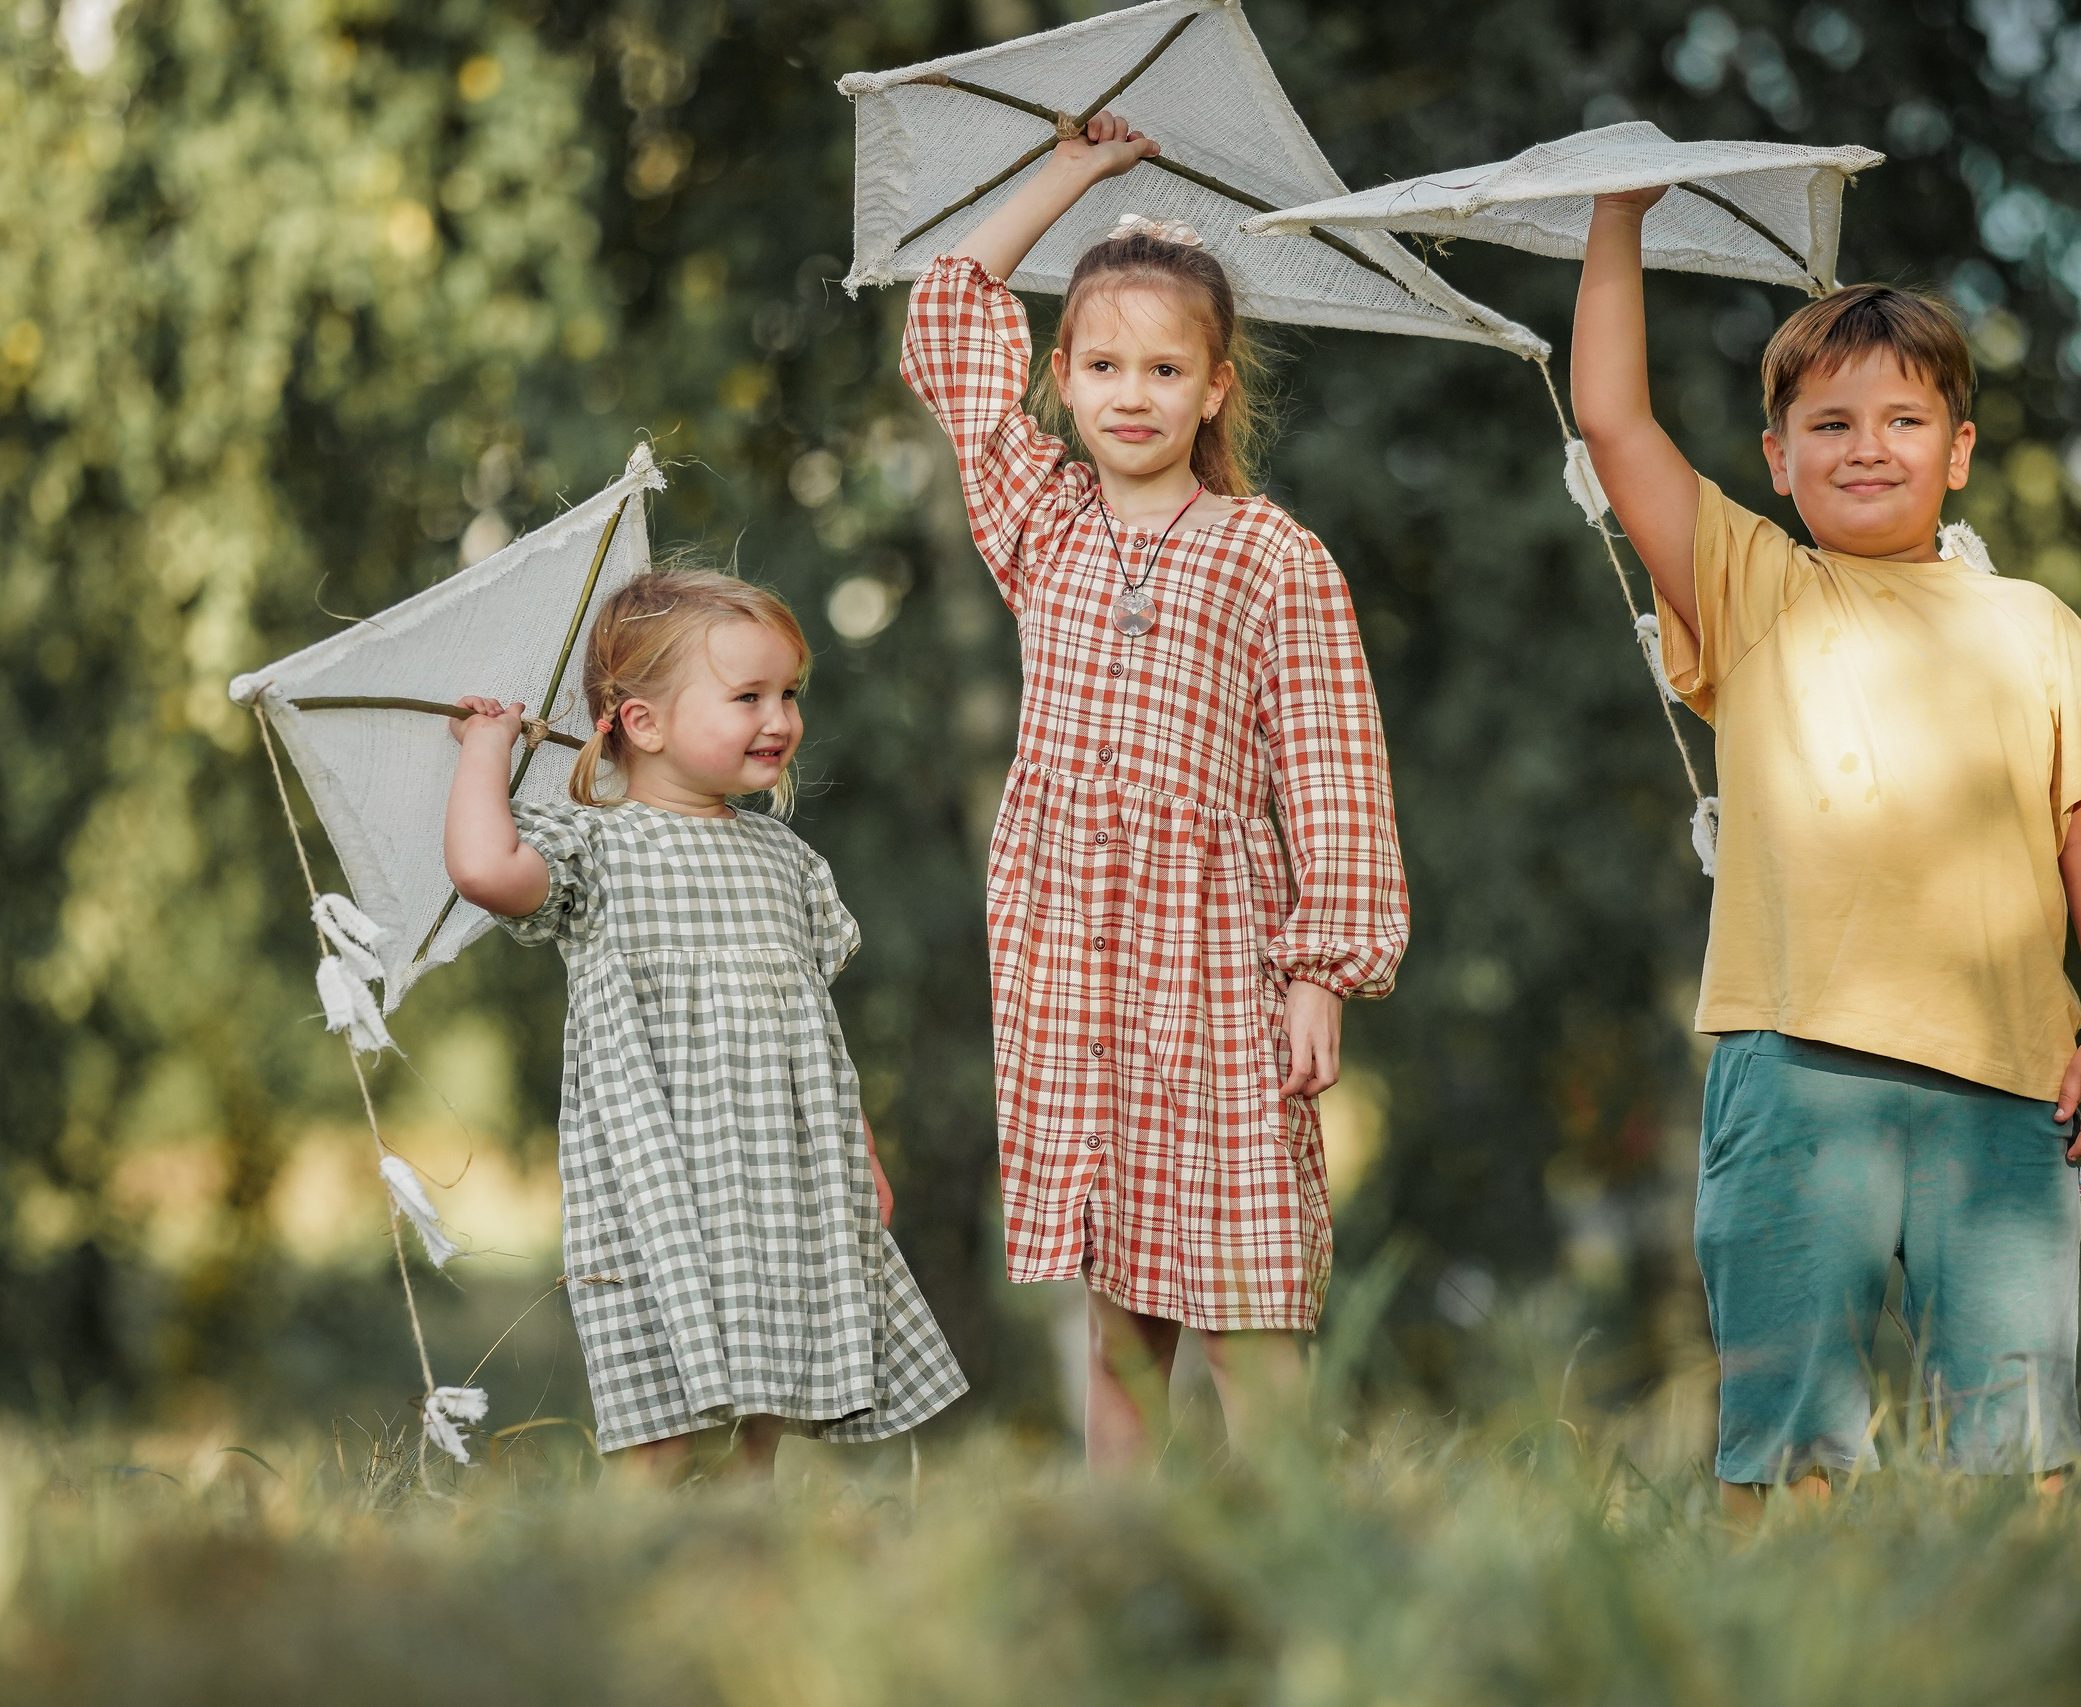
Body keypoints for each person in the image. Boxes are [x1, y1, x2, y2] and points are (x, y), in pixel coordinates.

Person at [1571, 188, 2081, 1515]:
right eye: (1830, 424)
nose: (1866, 448)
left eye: (1902, 421)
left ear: (1958, 451)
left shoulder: (2034, 623)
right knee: (1789, 1432)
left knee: (2015, 1434)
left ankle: (2011, 1642)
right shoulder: (1756, 588)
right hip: (1794, 1075)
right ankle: (1787, 1636)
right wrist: (1618, 213)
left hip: (2008, 1086)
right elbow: (1614, 421)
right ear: (1775, 457)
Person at [901, 112, 1409, 1470]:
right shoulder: (1040, 518)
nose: (1133, 389)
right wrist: (1074, 177)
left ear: (1213, 388)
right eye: (1105, 361)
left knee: (1246, 1267)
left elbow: (1336, 768)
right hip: (1073, 944)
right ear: (1062, 377)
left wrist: (1318, 974)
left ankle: (1288, 1530)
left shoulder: (1271, 555)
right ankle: (1120, 1546)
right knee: (1118, 1282)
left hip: (1216, 945)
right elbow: (949, 323)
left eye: (1165, 367)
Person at [442, 567, 966, 1478]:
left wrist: (863, 1150)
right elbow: (487, 869)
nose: (780, 719)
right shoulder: (596, 845)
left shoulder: (785, 859)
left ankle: (744, 1551)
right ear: (642, 722)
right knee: (661, 1386)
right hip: (658, 1168)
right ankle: (653, 1541)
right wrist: (485, 748)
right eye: (748, 696)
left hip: (778, 1171)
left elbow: (819, 1033)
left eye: (789, 693)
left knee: (769, 1383)